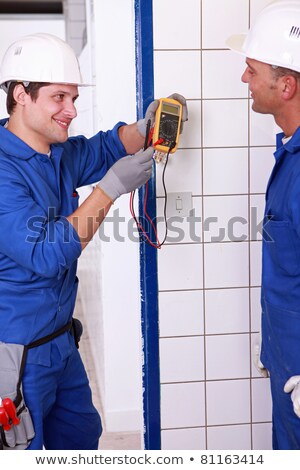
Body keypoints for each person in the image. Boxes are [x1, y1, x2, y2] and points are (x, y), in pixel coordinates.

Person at [0, 32, 187, 450]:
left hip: (62, 345)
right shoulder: (3, 171)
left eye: (74, 98)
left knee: (82, 437)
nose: (71, 110)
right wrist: (109, 190)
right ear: (20, 95)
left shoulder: (56, 150)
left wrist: (147, 127)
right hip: (15, 357)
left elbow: (104, 148)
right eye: (59, 98)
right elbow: (46, 253)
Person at [227, 0, 300, 450]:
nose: (244, 79)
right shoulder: (290, 153)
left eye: (251, 70)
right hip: (289, 365)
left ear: (286, 85)